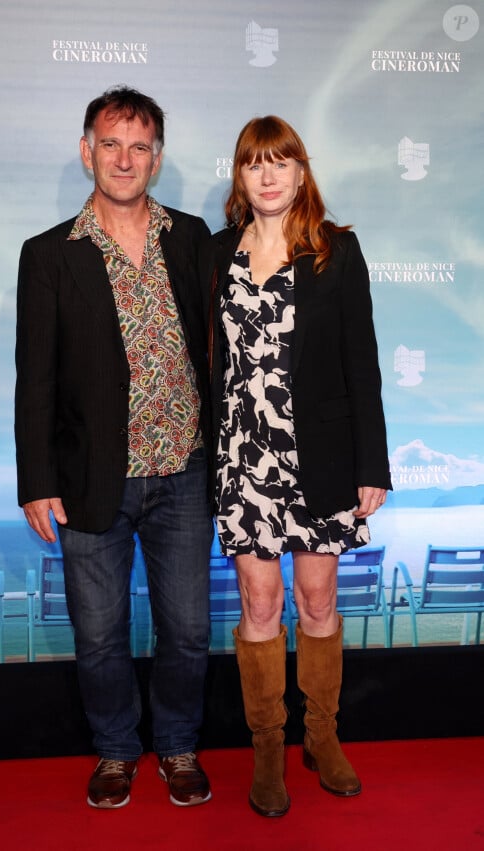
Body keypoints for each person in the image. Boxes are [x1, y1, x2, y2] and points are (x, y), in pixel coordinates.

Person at [15, 86, 214, 810]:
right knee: (99, 634)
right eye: (110, 143)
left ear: (156, 158)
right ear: (86, 151)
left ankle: (181, 744)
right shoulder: (48, 255)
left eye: (139, 146)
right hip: (91, 478)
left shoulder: (192, 240)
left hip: (187, 472)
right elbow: (33, 378)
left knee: (188, 630)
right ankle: (114, 750)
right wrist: (37, 479)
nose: (124, 158)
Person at [201, 116, 392, 817]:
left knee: (316, 602)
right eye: (256, 164)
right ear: (241, 176)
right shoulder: (214, 253)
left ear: (302, 173)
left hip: (322, 460)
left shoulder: (336, 252)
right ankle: (266, 750)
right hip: (242, 460)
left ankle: (323, 737)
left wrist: (371, 463)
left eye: (282, 162)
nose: (270, 175)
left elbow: (361, 366)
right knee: (260, 606)